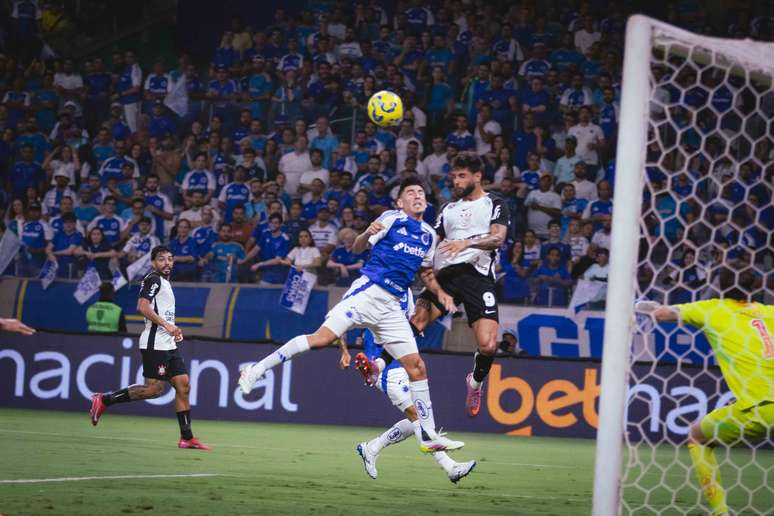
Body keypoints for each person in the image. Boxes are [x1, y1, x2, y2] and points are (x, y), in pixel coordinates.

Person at [239, 177, 462, 452]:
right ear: (400, 202)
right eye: (410, 192)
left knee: (417, 366)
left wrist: (440, 293)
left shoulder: (428, 234)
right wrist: (366, 233)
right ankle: (256, 369)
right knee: (321, 338)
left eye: (420, 192)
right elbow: (357, 248)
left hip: (392, 307)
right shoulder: (391, 219)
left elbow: (426, 272)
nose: (417, 195)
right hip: (369, 292)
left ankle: (428, 435)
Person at [365, 154, 511, 418]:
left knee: (488, 345)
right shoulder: (447, 209)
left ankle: (475, 382)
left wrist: (465, 243)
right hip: (446, 275)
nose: (456, 181)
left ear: (477, 177)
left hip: (478, 276)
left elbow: (498, 238)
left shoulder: (495, 202)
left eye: (462, 175)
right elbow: (429, 240)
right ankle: (377, 364)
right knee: (417, 320)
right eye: (454, 176)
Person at [636, 269, 773, 516]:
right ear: (755, 287)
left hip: (758, 408)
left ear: (719, 285)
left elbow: (665, 314)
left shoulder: (712, 308)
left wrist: (647, 307)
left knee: (697, 436)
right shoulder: (769, 311)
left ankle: (720, 512)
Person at [339, 292, 476, 483]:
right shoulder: (373, 293)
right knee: (419, 418)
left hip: (405, 364)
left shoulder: (407, 293)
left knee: (417, 420)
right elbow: (342, 322)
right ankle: (450, 467)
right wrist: (345, 352)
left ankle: (371, 448)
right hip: (384, 368)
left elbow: (411, 322)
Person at [89, 246, 209, 450]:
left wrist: (173, 328)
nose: (167, 263)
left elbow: (163, 312)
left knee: (183, 385)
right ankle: (104, 400)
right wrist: (167, 325)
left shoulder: (165, 283)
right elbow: (142, 307)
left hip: (168, 343)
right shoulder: (152, 278)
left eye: (170, 259)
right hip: (155, 343)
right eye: (161, 259)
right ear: (153, 262)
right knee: (154, 390)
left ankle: (186, 438)